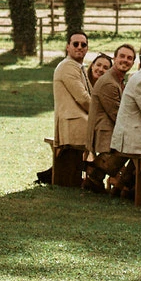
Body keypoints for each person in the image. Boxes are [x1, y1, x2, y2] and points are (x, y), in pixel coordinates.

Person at [43, 30, 94, 185]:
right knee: (110, 133)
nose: (80, 47)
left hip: (79, 120)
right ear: (68, 47)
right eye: (75, 44)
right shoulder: (68, 66)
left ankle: (98, 176)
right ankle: (100, 176)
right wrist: (101, 114)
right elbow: (83, 98)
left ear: (87, 48)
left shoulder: (78, 66)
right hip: (73, 122)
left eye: (83, 44)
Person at [91, 44, 136, 194]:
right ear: (114, 58)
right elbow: (117, 115)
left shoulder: (118, 80)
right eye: (122, 56)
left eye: (129, 58)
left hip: (113, 128)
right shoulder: (109, 82)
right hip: (105, 131)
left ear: (133, 63)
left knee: (139, 142)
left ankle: (121, 184)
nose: (125, 60)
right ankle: (124, 185)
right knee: (138, 144)